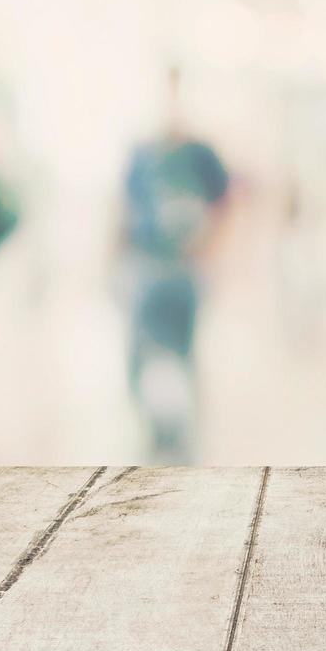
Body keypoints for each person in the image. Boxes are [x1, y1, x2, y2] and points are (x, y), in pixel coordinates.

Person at [120, 66, 230, 461]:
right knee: (141, 353)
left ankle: (185, 437)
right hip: (148, 263)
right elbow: (124, 211)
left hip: (185, 268)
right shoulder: (143, 153)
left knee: (183, 352)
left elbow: (226, 203)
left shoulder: (201, 153)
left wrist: (209, 246)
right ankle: (156, 428)